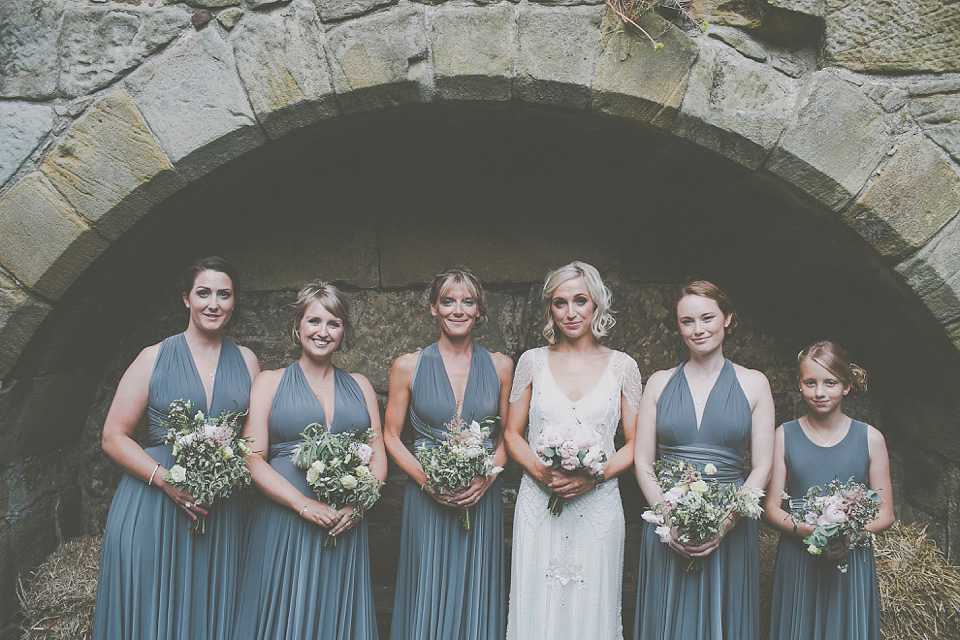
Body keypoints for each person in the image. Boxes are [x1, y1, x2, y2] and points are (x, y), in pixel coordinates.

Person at [94, 257, 260, 640]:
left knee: (210, 611)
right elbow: (113, 436)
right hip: (154, 503)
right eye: (203, 293)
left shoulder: (248, 361)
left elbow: (251, 443)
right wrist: (166, 480)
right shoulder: (153, 357)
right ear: (186, 299)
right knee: (153, 613)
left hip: (220, 510)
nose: (213, 304)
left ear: (234, 302)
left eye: (224, 294)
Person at [234, 282, 385, 640]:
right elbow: (251, 457)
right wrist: (303, 504)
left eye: (333, 323)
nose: (323, 331)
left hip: (343, 521)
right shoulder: (269, 383)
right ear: (297, 325)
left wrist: (359, 506)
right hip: (285, 519)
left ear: (343, 331)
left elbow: (377, 455)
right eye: (314, 321)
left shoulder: (360, 385)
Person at [504, 261, 641, 640]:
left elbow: (636, 444)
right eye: (560, 302)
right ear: (550, 308)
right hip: (538, 502)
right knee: (536, 603)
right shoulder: (531, 362)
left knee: (592, 605)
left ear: (596, 304)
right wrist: (540, 471)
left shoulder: (623, 367)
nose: (570, 312)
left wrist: (594, 476)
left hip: (597, 505)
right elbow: (512, 434)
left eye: (580, 300)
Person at [633, 279, 774, 640]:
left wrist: (724, 524)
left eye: (707, 318)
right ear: (678, 326)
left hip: (730, 527)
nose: (698, 330)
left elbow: (761, 466)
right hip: (669, 523)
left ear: (728, 318)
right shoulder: (660, 383)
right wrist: (669, 517)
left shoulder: (754, 383)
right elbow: (643, 462)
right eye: (687, 321)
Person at [385, 267, 514, 640]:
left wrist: (487, 478)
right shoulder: (407, 365)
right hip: (427, 498)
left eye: (467, 302)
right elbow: (391, 436)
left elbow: (508, 438)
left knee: (477, 590)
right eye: (448, 301)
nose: (458, 310)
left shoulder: (501, 366)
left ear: (479, 312)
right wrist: (427, 483)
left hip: (481, 496)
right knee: (426, 587)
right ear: (433, 308)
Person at [764, 341, 894, 640]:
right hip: (799, 555)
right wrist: (810, 532)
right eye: (810, 383)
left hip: (850, 557)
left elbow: (886, 513)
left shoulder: (871, 439)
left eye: (830, 383)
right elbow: (771, 509)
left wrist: (849, 536)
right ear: (800, 384)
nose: (819, 392)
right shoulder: (784, 435)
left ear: (846, 386)